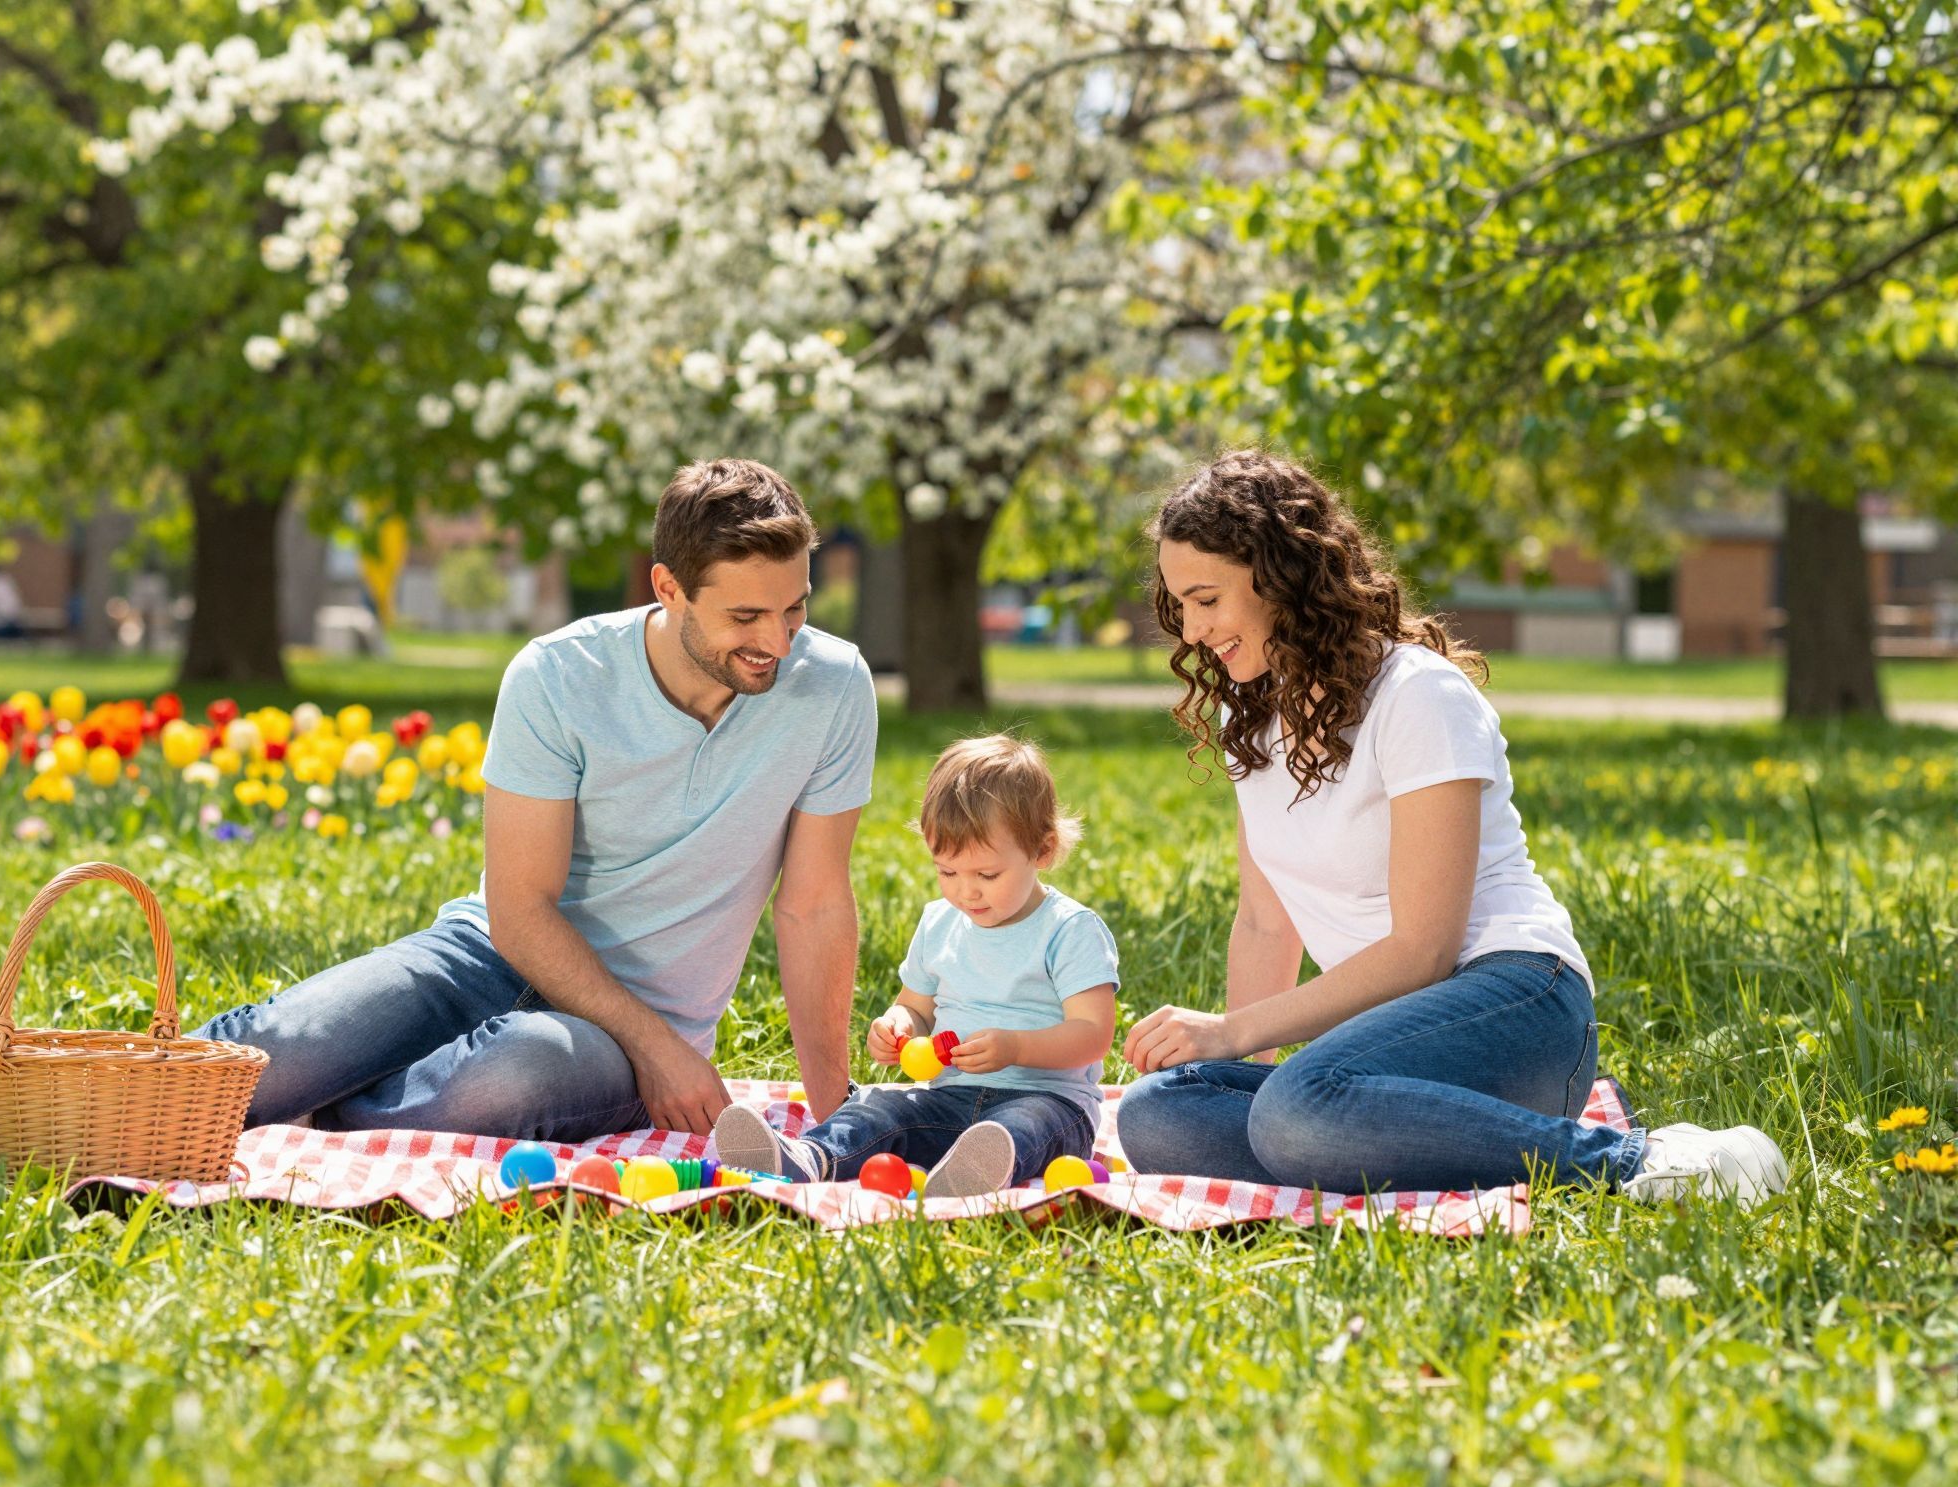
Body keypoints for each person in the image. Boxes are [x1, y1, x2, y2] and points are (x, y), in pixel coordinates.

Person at [1116, 450, 1788, 1207]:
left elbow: (1424, 950)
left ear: (1279, 575)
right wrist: (1243, 1074)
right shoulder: (1255, 724)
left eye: (1206, 599)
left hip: (1517, 1004)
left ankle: (1644, 1162)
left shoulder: (1416, 695)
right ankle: (1350, 1135)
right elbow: (1266, 925)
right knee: (1159, 1112)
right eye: (1180, 606)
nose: (1193, 630)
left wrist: (1233, 1035)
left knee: (1295, 1110)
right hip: (1387, 1052)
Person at [196, 459, 876, 1141]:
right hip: (485, 959)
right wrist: (655, 1048)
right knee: (278, 1048)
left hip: (621, 1033)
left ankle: (326, 1115)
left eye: (795, 607)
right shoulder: (559, 675)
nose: (777, 642)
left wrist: (834, 1120)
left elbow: (813, 904)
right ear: (669, 589)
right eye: (746, 616)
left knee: (513, 1077)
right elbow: (519, 913)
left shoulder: (834, 686)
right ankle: (213, 1103)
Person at [713, 734, 1119, 1197]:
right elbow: (916, 1007)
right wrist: (898, 1025)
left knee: (1024, 1126)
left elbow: (1093, 1034)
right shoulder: (939, 923)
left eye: (988, 875)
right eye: (947, 872)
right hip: (948, 1099)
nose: (966, 891)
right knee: (879, 1108)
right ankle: (809, 1157)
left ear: (1042, 851)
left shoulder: (1069, 930)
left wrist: (1016, 1048)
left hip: (1050, 1101)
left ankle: (976, 1172)